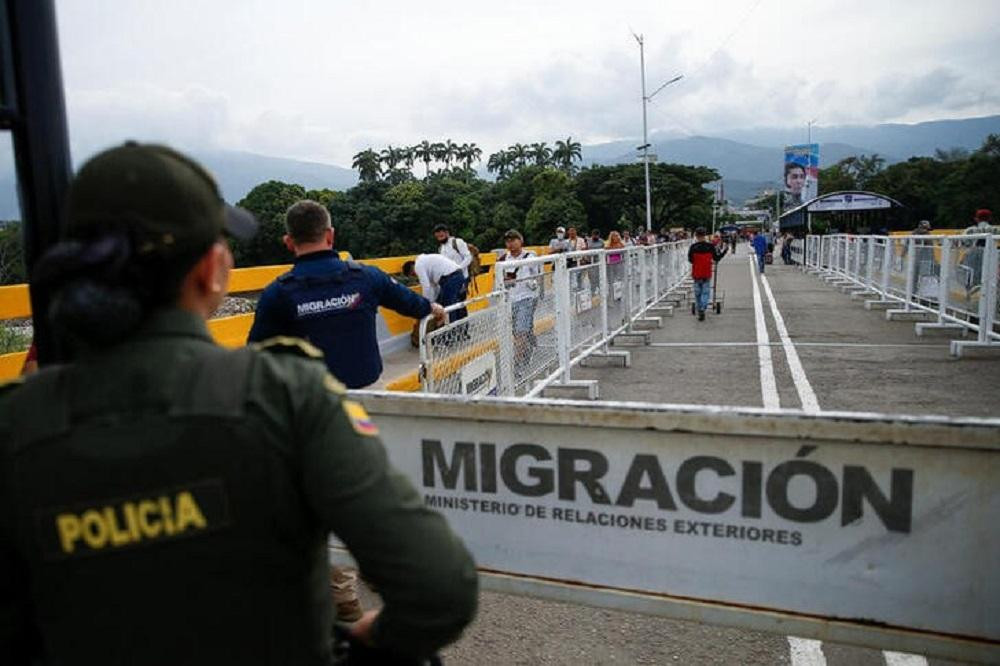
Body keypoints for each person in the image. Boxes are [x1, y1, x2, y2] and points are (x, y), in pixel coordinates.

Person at [0, 142, 477, 664]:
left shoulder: (16, 423)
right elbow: (439, 591)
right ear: (211, 270)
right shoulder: (285, 395)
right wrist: (369, 643)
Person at [247, 200, 445, 389]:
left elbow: (257, 356)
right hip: (369, 396)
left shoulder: (277, 294)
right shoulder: (367, 277)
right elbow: (408, 302)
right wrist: (432, 308)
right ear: (330, 235)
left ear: (289, 242)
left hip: (311, 406)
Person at [497, 229, 540, 378]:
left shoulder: (531, 256)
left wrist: (537, 292)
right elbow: (498, 282)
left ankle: (516, 365)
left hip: (527, 298)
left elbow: (539, 275)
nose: (511, 243)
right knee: (517, 331)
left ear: (521, 240)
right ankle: (530, 346)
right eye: (508, 241)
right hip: (510, 300)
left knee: (521, 331)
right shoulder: (502, 260)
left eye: (514, 240)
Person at [402, 253, 468, 323]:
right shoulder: (427, 264)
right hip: (457, 275)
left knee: (449, 307)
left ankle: (452, 331)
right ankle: (462, 330)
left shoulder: (418, 265)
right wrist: (433, 302)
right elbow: (434, 288)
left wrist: (426, 305)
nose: (416, 276)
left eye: (413, 274)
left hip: (450, 278)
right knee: (457, 305)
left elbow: (426, 286)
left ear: (412, 268)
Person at [688, 227, 728, 320]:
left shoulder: (693, 247)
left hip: (696, 272)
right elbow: (716, 258)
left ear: (696, 236)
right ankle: (703, 308)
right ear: (705, 235)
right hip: (706, 272)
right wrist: (724, 252)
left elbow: (690, 260)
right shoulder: (710, 246)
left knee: (697, 292)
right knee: (705, 292)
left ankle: (699, 308)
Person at [434, 223, 472, 289]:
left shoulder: (457, 242)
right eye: (438, 237)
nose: (440, 238)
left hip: (462, 278)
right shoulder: (440, 249)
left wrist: (458, 268)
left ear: (447, 233)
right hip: (449, 280)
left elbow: (468, 257)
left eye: (441, 236)